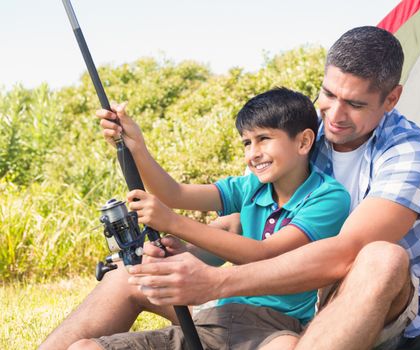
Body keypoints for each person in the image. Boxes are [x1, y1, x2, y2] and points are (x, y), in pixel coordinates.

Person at [41, 26, 420, 350]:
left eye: (354, 104)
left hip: (349, 299)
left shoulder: (407, 153)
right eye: (328, 95)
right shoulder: (304, 134)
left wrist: (214, 279)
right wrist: (135, 148)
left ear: (391, 98)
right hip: (259, 303)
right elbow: (235, 211)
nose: (334, 117)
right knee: (126, 277)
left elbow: (344, 253)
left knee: (382, 257)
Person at [67, 87, 350, 349]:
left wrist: (173, 222)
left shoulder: (328, 197)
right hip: (213, 320)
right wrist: (136, 145)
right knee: (84, 348)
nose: (253, 153)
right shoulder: (250, 186)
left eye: (264, 139)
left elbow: (266, 255)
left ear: (303, 142)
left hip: (274, 329)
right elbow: (174, 193)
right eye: (246, 143)